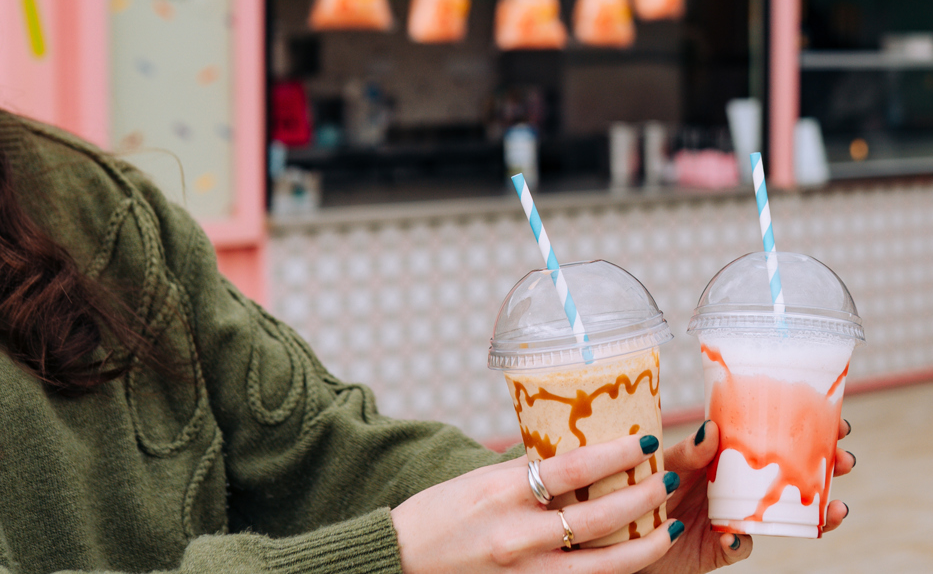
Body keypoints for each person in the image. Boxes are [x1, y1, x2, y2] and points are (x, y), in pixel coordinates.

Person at [0, 108, 855, 574]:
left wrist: (589, 525)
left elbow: (312, 441)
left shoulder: (89, 204)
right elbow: (399, 536)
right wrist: (393, 557)